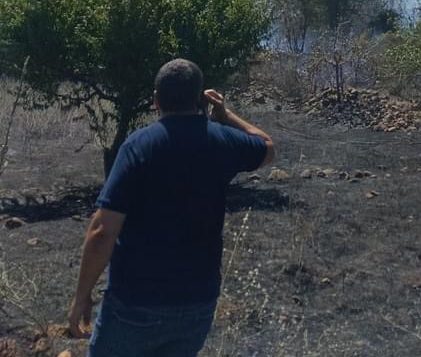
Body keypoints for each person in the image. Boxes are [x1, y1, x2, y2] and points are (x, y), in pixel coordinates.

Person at [68, 58, 274, 356]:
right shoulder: (223, 141)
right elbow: (267, 146)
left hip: (136, 305)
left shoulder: (138, 146)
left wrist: (81, 296)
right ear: (200, 99)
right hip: (197, 304)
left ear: (155, 101)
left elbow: (102, 231)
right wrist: (226, 115)